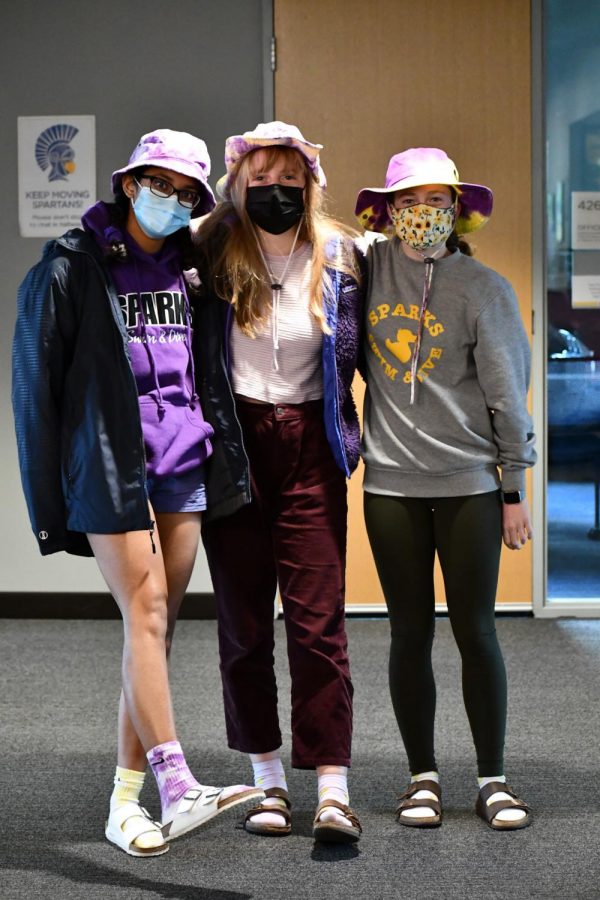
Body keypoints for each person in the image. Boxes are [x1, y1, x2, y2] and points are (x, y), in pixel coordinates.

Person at [12, 129, 263, 858]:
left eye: (187, 192)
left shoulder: (193, 267)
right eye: (161, 184)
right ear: (129, 183)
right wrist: (51, 498)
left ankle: (125, 806)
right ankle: (177, 784)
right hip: (110, 466)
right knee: (147, 613)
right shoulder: (69, 266)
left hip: (183, 462)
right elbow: (36, 392)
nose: (173, 200)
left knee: (149, 630)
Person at [354, 147, 536, 831]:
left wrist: (512, 488)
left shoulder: (482, 287)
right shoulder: (365, 272)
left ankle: (493, 777)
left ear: (458, 210)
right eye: (407, 202)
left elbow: (507, 398)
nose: (421, 214)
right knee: (408, 632)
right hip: (392, 487)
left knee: (476, 630)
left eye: (436, 201)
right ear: (387, 211)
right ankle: (421, 777)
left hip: (468, 487)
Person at [192, 121, 364, 843]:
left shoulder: (343, 254)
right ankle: (266, 780)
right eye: (259, 184)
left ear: (309, 186)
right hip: (233, 448)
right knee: (242, 624)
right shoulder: (205, 248)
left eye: (289, 184)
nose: (275, 195)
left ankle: (331, 787)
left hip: (310, 446)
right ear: (238, 187)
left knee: (318, 622)